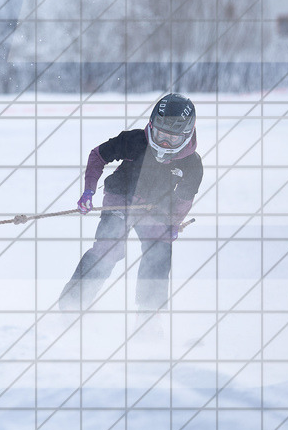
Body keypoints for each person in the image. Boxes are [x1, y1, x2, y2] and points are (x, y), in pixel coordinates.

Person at [59, 93, 203, 316]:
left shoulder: (192, 164)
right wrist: (89, 189)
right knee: (109, 247)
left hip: (156, 209)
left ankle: (148, 316)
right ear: (151, 125)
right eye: (160, 134)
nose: (164, 142)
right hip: (120, 198)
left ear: (186, 135)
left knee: (159, 251)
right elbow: (98, 156)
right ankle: (72, 303)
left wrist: (174, 223)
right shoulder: (134, 140)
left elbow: (185, 198)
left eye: (172, 138)